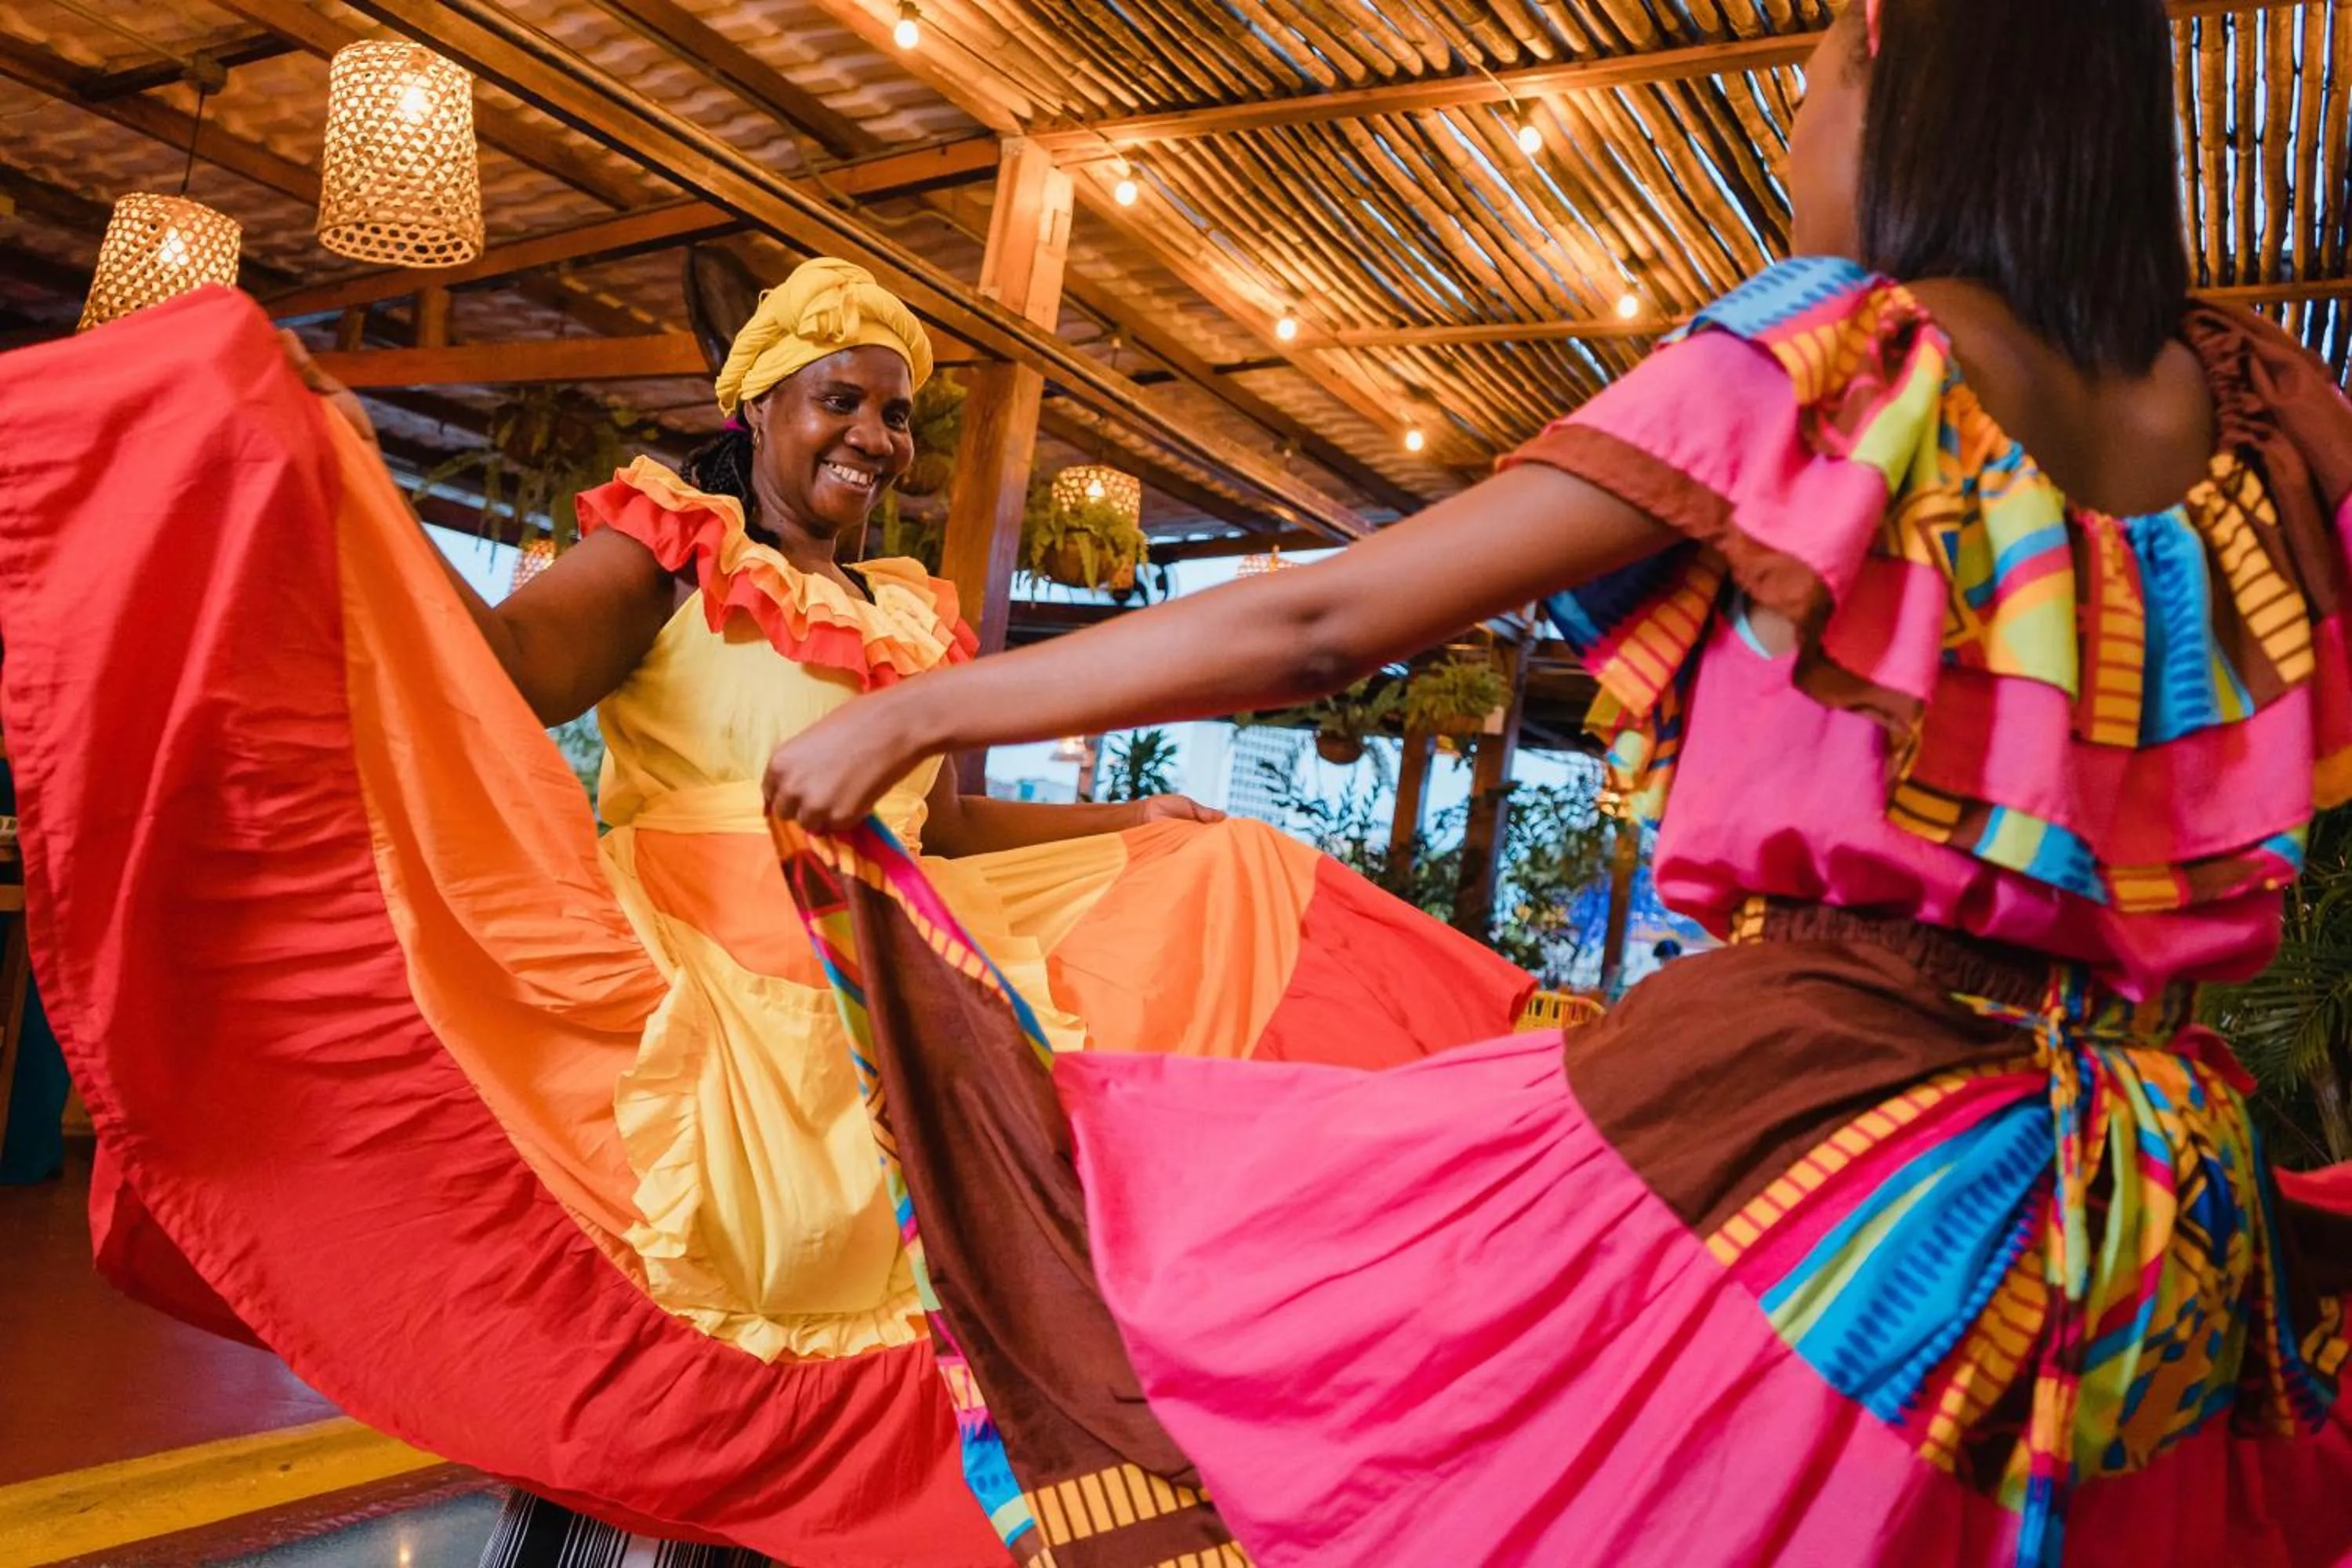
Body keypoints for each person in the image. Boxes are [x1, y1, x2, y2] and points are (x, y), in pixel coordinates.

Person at [759, 2, 2352, 1563]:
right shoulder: (2265, 420)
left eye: (1810, 95)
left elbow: (1324, 618)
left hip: (1845, 1159)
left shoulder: (1841, 358)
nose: (1802, 137)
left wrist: (922, 713)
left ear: (1895, 85)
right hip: (2169, 1233)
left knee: (1255, 1274)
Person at [0, 260, 1530, 1565]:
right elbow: (515, 675)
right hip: (705, 992)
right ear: (757, 409)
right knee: (751, 1267)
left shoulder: (921, 609)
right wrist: (352, 497)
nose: (873, 433)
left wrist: (1131, 816)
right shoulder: (674, 546)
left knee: (1221, 906)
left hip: (906, 982)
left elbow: (941, 817)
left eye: (894, 412)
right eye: (838, 399)